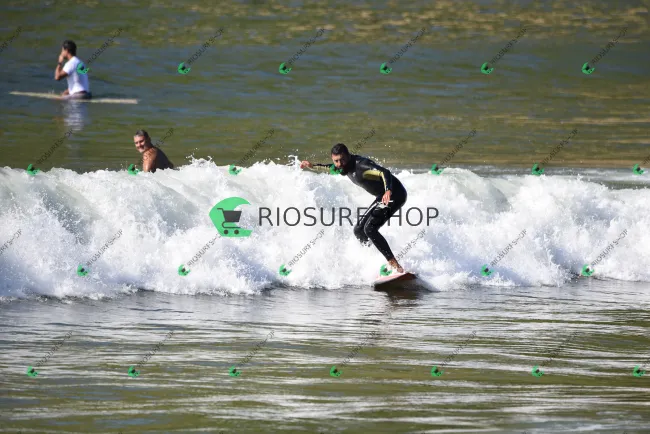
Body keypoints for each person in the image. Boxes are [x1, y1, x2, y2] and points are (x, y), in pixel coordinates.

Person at [300, 143, 407, 273]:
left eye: (342, 160)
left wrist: (388, 190)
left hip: (395, 194)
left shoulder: (361, 165)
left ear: (348, 156)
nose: (339, 164)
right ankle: (376, 257)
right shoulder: (342, 167)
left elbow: (385, 172)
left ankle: (395, 265)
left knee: (370, 228)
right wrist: (311, 166)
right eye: (336, 161)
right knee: (359, 230)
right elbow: (330, 168)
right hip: (381, 196)